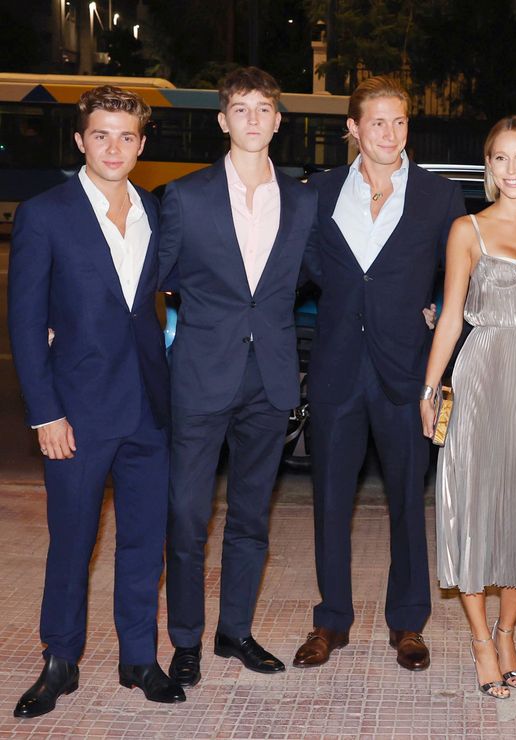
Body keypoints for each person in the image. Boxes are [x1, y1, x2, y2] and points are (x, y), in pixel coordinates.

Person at [8, 85, 185, 717]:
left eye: (127, 136)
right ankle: (60, 660)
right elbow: (26, 324)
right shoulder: (44, 213)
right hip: (76, 412)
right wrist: (45, 412)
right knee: (71, 540)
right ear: (81, 140)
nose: (115, 147)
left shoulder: (155, 212)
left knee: (145, 542)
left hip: (148, 406)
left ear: (142, 143)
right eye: (101, 135)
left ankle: (139, 658)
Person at [292, 75, 464, 672]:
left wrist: (436, 314)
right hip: (338, 370)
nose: (390, 134)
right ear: (353, 129)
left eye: (400, 121)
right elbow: (314, 265)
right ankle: (330, 621)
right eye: (378, 123)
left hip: (408, 374)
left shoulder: (439, 197)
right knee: (330, 503)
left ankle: (408, 624)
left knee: (407, 505)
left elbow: (463, 279)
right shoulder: (320, 192)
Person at [158, 67, 318, 684]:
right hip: (200, 375)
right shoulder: (187, 196)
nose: (254, 118)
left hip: (271, 380)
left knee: (252, 518)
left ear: (279, 120)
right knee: (186, 516)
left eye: (265, 108)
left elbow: (314, 274)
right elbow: (157, 277)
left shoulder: (302, 202)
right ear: (223, 120)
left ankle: (234, 633)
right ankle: (186, 640)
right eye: (241, 108)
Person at [420, 116, 516, 699]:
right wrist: (430, 389)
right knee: (475, 503)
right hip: (482, 376)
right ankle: (482, 640)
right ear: (488, 167)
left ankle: (509, 630)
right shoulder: (467, 230)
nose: (512, 170)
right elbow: (452, 315)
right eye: (500, 158)